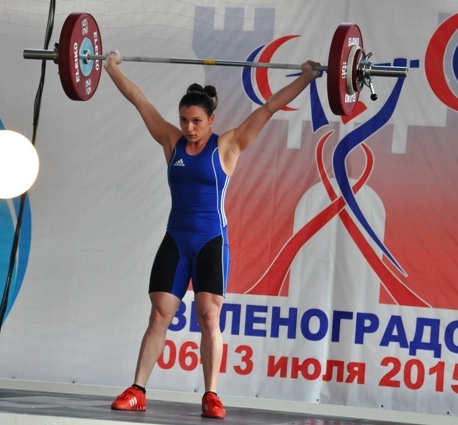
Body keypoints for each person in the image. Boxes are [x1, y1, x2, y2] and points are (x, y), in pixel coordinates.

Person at [105, 50, 320, 419]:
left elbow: (268, 108)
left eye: (197, 121)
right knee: (159, 314)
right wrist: (110, 67)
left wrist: (306, 78)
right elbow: (139, 100)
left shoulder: (228, 145)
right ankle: (137, 390)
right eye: (184, 120)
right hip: (176, 240)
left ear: (211, 120)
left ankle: (211, 395)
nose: (189, 128)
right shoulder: (171, 142)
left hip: (210, 242)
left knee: (208, 316)